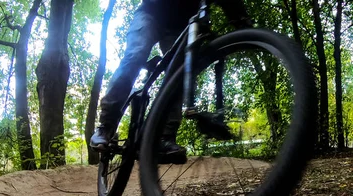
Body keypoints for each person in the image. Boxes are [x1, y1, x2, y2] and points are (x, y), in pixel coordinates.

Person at [90, 0, 252, 163]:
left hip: (182, 25)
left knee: (180, 76)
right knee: (135, 56)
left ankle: (164, 138)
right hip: (151, 13)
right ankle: (106, 125)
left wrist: (243, 23)